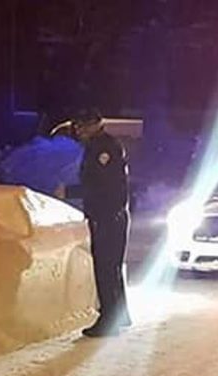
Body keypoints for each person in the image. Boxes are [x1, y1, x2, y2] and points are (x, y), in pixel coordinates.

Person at [72, 109, 132, 337]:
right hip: (110, 214)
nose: (79, 131)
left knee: (105, 268)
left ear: (95, 124)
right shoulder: (99, 145)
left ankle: (108, 320)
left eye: (82, 126)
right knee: (112, 267)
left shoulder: (103, 148)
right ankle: (119, 314)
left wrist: (69, 191)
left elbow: (104, 185)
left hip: (108, 215)